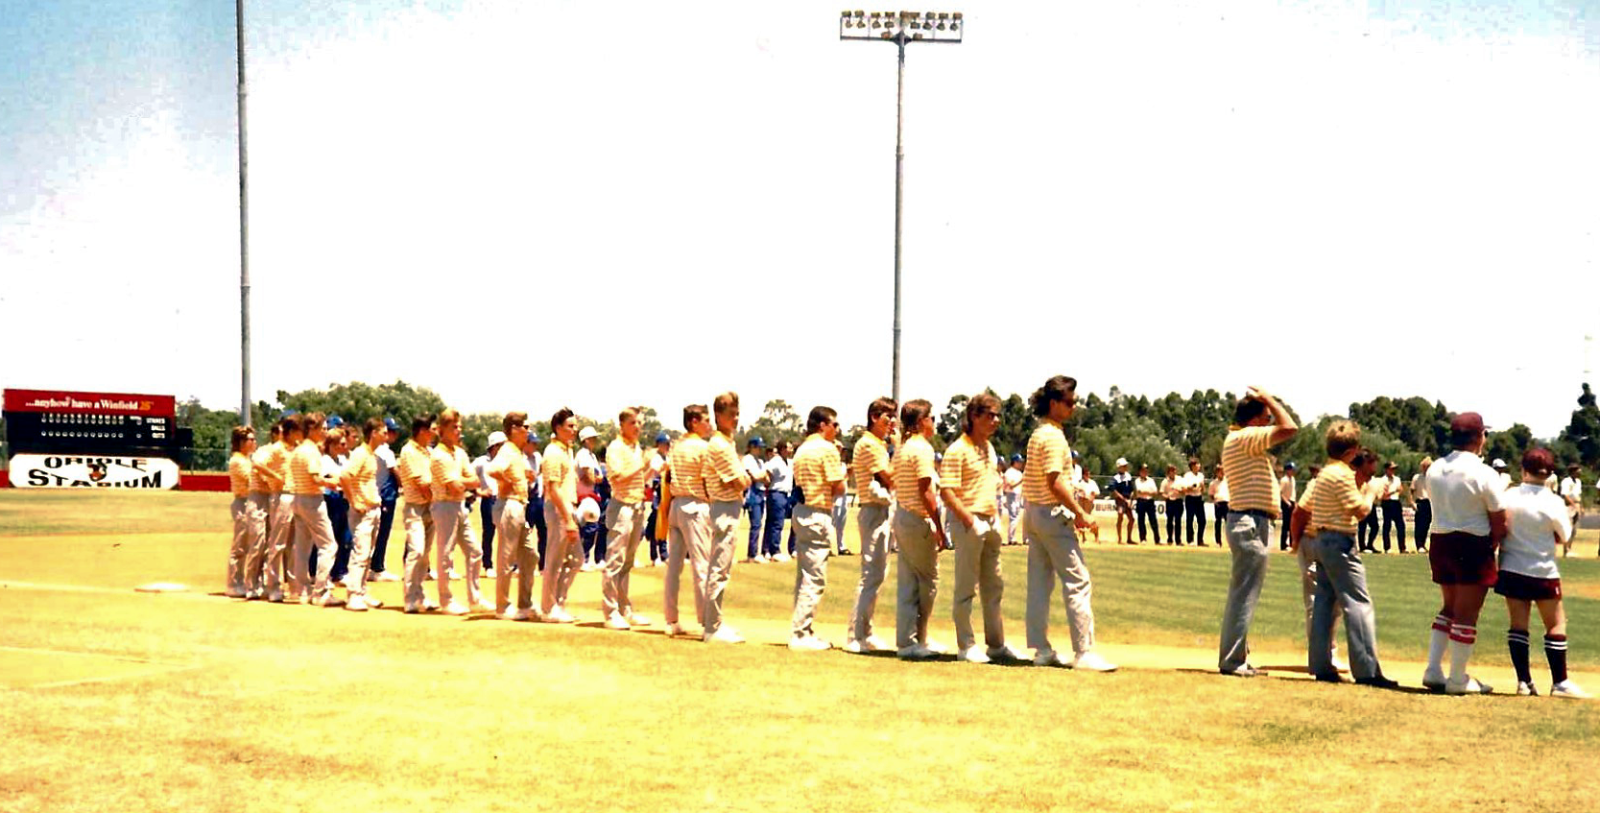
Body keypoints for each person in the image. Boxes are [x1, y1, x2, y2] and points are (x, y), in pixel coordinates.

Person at [1292, 424, 1398, 688]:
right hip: (1340, 541)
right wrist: (1371, 492)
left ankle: (1320, 665)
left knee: (1324, 604)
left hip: (1322, 540)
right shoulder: (1342, 475)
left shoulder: (1325, 473)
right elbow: (1360, 511)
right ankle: (1367, 670)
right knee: (1358, 604)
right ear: (1351, 451)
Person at [1022, 375, 1116, 671]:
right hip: (1051, 513)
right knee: (1078, 582)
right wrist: (1080, 512)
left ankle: (1041, 649)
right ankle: (1083, 651)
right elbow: (1054, 481)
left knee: (1039, 583)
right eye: (1069, 402)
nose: (1073, 407)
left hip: (1034, 513)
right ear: (1054, 403)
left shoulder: (1040, 433)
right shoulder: (1052, 436)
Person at [1422, 411, 1507, 695]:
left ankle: (1433, 669)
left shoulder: (1434, 468)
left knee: (1449, 607)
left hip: (1441, 538)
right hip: (1472, 541)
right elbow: (1499, 518)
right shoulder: (1485, 473)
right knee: (1467, 614)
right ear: (1478, 437)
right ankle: (1458, 679)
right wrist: (1494, 544)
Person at [1217, 386, 1298, 677]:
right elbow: (1289, 427)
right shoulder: (1245, 436)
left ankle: (1236, 656)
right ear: (1253, 419)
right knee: (1244, 594)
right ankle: (1233, 660)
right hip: (1250, 521)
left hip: (1250, 519)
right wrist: (1271, 400)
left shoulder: (1239, 439)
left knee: (1243, 592)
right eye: (1264, 418)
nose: (1268, 423)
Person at [942, 393, 1026, 664]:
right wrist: (970, 521)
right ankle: (966, 645)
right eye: (990, 415)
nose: (996, 420)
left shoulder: (988, 448)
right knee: (966, 586)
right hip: (970, 521)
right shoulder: (958, 449)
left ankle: (996, 643)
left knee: (994, 585)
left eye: (997, 415)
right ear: (974, 417)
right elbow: (948, 492)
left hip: (990, 520)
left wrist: (993, 521)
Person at [1497, 448, 1588, 698]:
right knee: (1556, 623)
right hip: (1543, 569)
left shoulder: (1509, 495)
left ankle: (1524, 682)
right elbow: (1564, 536)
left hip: (1512, 567)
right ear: (1549, 473)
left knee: (1518, 625)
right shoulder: (1553, 501)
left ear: (1523, 470)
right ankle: (1560, 682)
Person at [893, 399, 948, 660]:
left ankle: (909, 638)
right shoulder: (922, 450)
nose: (935, 423)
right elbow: (926, 491)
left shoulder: (903, 449)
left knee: (908, 581)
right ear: (920, 421)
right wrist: (938, 526)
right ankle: (917, 638)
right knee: (927, 582)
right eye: (932, 418)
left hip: (903, 515)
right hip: (917, 518)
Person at [789, 405, 847, 651]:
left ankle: (803, 628)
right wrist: (843, 469)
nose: (837, 430)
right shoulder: (827, 449)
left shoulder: (802, 449)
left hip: (802, 510)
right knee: (814, 578)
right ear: (823, 425)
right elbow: (839, 486)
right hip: (818, 510)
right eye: (835, 425)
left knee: (804, 575)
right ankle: (801, 633)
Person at [845, 397, 897, 653]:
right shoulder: (870, 444)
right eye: (888, 419)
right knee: (870, 575)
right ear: (875, 417)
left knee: (877, 574)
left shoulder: (876, 443)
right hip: (873, 509)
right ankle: (855, 634)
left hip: (879, 509)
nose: (892, 424)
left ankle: (866, 630)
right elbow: (888, 478)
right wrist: (898, 452)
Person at [701, 393, 751, 644]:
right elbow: (738, 480)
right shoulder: (719, 445)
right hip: (723, 506)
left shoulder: (726, 442)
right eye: (731, 414)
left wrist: (742, 479)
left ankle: (715, 621)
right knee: (719, 569)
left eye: (737, 413)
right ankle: (712, 626)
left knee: (722, 568)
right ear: (718, 416)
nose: (735, 418)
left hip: (729, 505)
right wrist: (744, 479)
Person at [598, 407, 653, 630]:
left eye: (640, 423)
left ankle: (624, 608)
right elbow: (617, 477)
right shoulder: (616, 448)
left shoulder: (635, 448)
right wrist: (641, 466)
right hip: (621, 506)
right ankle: (610, 611)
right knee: (615, 560)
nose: (638, 427)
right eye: (633, 423)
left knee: (627, 562)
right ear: (622, 425)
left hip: (637, 505)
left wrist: (650, 470)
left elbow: (639, 477)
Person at [429, 409, 488, 615]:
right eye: (454, 427)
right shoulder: (438, 456)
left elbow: (474, 480)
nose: (458, 430)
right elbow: (453, 485)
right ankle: (446, 601)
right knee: (446, 553)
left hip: (459, 505)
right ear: (442, 430)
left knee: (475, 551)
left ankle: (475, 598)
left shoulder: (460, 453)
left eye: (459, 426)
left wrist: (462, 482)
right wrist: (463, 482)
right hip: (444, 505)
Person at [664, 405, 713, 638]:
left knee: (674, 566)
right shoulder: (703, 447)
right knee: (702, 565)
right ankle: (707, 621)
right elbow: (707, 480)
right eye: (705, 420)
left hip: (676, 504)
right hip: (695, 505)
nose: (708, 424)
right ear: (694, 422)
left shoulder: (675, 446)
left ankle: (671, 619)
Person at [289, 412, 346, 607]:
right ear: (312, 429)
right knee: (329, 545)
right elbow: (315, 477)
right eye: (322, 428)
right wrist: (335, 483)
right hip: (312, 500)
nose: (325, 431)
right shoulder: (311, 451)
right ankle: (321, 591)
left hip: (298, 498)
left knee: (302, 547)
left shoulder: (298, 450)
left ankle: (301, 590)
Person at [489, 412, 539, 622]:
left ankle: (524, 604)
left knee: (530, 555)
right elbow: (493, 470)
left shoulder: (516, 453)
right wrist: (508, 480)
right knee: (507, 558)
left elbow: (524, 472)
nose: (528, 431)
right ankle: (503, 606)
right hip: (509, 503)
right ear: (514, 429)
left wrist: (525, 476)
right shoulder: (507, 450)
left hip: (519, 505)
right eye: (525, 427)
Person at [338, 418, 387, 612]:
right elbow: (345, 476)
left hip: (373, 508)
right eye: (383, 432)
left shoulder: (371, 455)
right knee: (360, 552)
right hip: (363, 511)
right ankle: (353, 595)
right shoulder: (360, 454)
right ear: (373, 433)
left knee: (368, 553)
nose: (386, 436)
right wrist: (355, 500)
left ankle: (362, 591)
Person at [541, 408, 583, 623]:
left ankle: (558, 603)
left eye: (575, 425)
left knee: (576, 559)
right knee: (555, 559)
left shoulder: (567, 450)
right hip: (558, 508)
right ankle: (549, 608)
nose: (574, 430)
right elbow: (553, 488)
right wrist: (567, 518)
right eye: (570, 426)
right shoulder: (553, 452)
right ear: (558, 428)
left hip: (568, 507)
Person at [395, 414, 438, 614]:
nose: (434, 433)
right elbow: (420, 483)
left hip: (430, 506)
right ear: (422, 431)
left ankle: (420, 594)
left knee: (425, 554)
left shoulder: (428, 452)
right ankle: (410, 597)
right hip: (416, 506)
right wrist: (437, 493)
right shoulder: (408, 451)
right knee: (417, 551)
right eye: (432, 429)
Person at [243, 423, 282, 599]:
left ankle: (267, 582)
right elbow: (260, 470)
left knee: (271, 544)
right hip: (259, 496)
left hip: (273, 497)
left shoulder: (285, 452)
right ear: (275, 435)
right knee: (258, 542)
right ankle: (251, 584)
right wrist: (276, 480)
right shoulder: (265, 451)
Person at [367, 417, 401, 583]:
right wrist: (406, 486)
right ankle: (377, 567)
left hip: (378, 494)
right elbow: (396, 472)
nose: (394, 435)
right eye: (391, 431)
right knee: (383, 532)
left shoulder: (373, 450)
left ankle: (375, 565)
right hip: (385, 495)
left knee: (376, 533)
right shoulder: (385, 451)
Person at [225, 425, 257, 598]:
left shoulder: (247, 459)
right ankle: (234, 583)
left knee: (250, 544)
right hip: (243, 502)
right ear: (241, 442)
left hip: (249, 501)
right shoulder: (237, 460)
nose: (254, 443)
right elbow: (251, 479)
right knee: (240, 545)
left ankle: (243, 581)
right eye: (250, 440)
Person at [320, 427, 352, 587]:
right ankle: (326, 573)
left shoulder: (342, 459)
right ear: (332, 444)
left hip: (343, 499)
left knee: (345, 537)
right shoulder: (325, 460)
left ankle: (340, 571)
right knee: (331, 537)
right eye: (342, 443)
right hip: (331, 499)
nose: (345, 445)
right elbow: (335, 478)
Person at [473, 433, 503, 575]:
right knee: (489, 533)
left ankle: (508, 565)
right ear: (494, 446)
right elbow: (469, 477)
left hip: (504, 499)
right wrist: (479, 492)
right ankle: (488, 565)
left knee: (507, 534)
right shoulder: (481, 462)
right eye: (501, 445)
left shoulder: (505, 461)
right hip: (489, 500)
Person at [575, 426, 604, 569]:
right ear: (586, 440)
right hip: (584, 494)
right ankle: (583, 559)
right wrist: (598, 478)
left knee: (587, 527)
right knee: (590, 527)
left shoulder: (591, 455)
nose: (595, 440)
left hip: (591, 495)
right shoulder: (583, 455)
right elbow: (590, 477)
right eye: (592, 438)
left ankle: (582, 558)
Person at [762, 440, 794, 562]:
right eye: (789, 448)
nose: (791, 450)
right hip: (776, 493)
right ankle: (774, 550)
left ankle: (767, 550)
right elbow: (766, 474)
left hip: (785, 494)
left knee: (773, 522)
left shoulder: (788, 462)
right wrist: (767, 487)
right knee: (776, 523)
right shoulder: (775, 461)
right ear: (783, 449)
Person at [644, 432, 670, 565]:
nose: (666, 447)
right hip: (657, 493)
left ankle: (664, 554)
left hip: (666, 493)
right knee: (656, 524)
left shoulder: (667, 458)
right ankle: (655, 556)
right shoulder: (656, 458)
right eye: (664, 444)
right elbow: (655, 474)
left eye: (667, 444)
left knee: (664, 525)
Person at [741, 437, 769, 562]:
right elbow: (755, 477)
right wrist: (762, 476)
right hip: (752, 493)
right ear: (751, 447)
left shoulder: (761, 461)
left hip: (761, 492)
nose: (760, 450)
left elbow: (767, 479)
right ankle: (752, 554)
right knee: (755, 523)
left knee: (759, 523)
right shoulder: (747, 459)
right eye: (758, 447)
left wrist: (762, 476)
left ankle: (756, 552)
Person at [1377, 461, 1407, 553]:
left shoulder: (1397, 479)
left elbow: (1401, 489)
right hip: (1387, 503)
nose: (1393, 471)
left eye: (1394, 469)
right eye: (1391, 469)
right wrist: (1394, 491)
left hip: (1396, 502)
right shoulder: (1382, 480)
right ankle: (1387, 547)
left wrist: (1398, 491)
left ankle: (1402, 547)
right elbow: (1383, 495)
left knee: (1401, 525)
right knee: (1387, 525)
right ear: (1386, 469)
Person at [1558, 464, 1583, 557]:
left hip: (1576, 505)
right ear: (1573, 471)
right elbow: (1565, 495)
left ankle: (1569, 548)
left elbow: (1579, 495)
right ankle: (1565, 550)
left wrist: (1581, 506)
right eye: (1578, 470)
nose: (1580, 471)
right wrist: (1573, 504)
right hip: (1568, 506)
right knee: (1567, 528)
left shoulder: (1578, 482)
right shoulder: (1566, 481)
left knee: (1574, 530)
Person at [1110, 458, 1135, 545]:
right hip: (1120, 500)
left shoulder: (1128, 476)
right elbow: (1114, 490)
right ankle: (1120, 538)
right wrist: (1123, 499)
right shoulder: (1116, 478)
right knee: (1120, 517)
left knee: (1131, 519)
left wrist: (1131, 498)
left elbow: (1132, 489)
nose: (1125, 467)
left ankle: (1129, 538)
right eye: (1123, 466)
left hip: (1128, 499)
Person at [1133, 464, 1160, 545]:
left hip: (1150, 502)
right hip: (1141, 501)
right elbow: (1138, 491)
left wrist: (1145, 492)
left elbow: (1155, 492)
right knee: (1141, 521)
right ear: (1140, 471)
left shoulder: (1151, 480)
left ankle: (1157, 539)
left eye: (1146, 470)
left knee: (1153, 520)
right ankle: (1143, 538)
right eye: (1143, 470)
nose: (1145, 472)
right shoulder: (1137, 481)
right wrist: (1148, 492)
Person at [1410, 456, 1433, 553]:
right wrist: (1412, 502)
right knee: (1419, 525)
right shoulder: (1417, 477)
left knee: (1427, 525)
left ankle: (1423, 544)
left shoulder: (1433, 478)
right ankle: (1419, 545)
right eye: (1424, 466)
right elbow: (1411, 490)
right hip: (1420, 501)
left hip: (1430, 502)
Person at [1183, 457, 1206, 546]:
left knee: (1202, 520)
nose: (1198, 466)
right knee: (1190, 519)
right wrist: (1192, 487)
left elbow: (1203, 489)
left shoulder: (1201, 476)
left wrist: (1202, 487)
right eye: (1197, 464)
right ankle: (1190, 540)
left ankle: (1200, 540)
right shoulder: (1187, 475)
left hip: (1198, 498)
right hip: (1190, 498)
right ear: (1192, 466)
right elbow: (1185, 488)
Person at [1002, 454, 1025, 545]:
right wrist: (1020, 481)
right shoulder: (1009, 472)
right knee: (1013, 516)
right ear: (1014, 462)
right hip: (1012, 495)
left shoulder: (1019, 473)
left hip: (1018, 495)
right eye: (1019, 462)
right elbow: (1009, 485)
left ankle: (1013, 537)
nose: (1020, 464)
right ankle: (1011, 538)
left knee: (1017, 517)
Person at [1076, 466, 1101, 544]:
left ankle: (1096, 538)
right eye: (1086, 474)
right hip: (1082, 505)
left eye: (1089, 474)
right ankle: (1083, 538)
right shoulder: (1080, 483)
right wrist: (1085, 496)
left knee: (1093, 522)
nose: (1088, 476)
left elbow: (1097, 492)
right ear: (1083, 475)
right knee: (1082, 523)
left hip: (1090, 506)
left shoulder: (1092, 483)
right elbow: (1079, 494)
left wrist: (1092, 495)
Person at [1161, 464, 1184, 545]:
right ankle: (1170, 539)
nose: (1173, 472)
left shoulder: (1180, 479)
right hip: (1170, 501)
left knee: (1178, 521)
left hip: (1178, 501)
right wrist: (1166, 496)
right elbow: (1162, 492)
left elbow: (1184, 490)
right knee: (1169, 521)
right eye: (1171, 471)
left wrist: (1180, 491)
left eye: (1174, 471)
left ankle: (1178, 540)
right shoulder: (1165, 481)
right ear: (1168, 472)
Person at [1278, 462, 1298, 551]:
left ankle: (1291, 543)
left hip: (1292, 501)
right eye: (1291, 470)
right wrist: (1287, 502)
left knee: (1292, 524)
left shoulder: (1293, 479)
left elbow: (1293, 492)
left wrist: (1295, 502)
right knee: (1286, 525)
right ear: (1287, 470)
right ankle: (1283, 545)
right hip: (1286, 503)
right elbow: (1280, 493)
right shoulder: (1284, 480)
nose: (1293, 472)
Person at [1209, 464, 1228, 548]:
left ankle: (1230, 541)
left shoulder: (1228, 481)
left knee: (1228, 523)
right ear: (1217, 473)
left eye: (1223, 471)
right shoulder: (1213, 483)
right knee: (1218, 522)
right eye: (1220, 471)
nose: (1222, 473)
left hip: (1227, 502)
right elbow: (1211, 494)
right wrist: (1214, 501)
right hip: (1218, 503)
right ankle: (1218, 541)